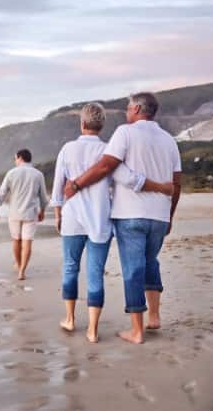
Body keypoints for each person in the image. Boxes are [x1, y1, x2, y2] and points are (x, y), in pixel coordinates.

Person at [63, 92, 182, 344]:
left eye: (128, 108)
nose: (127, 112)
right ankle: (154, 317)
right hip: (160, 215)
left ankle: (137, 331)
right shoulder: (169, 140)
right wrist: (169, 215)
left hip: (130, 214)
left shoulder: (125, 133)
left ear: (137, 109)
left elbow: (107, 166)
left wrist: (76, 184)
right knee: (151, 261)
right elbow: (177, 183)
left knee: (132, 269)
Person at [0, 148, 49, 280]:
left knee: (16, 240)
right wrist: (42, 211)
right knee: (27, 242)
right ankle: (22, 271)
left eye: (15, 158)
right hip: (31, 213)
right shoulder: (38, 174)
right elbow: (43, 197)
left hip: (14, 213)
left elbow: (2, 193)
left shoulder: (11, 173)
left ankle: (19, 266)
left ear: (20, 158)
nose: (15, 161)